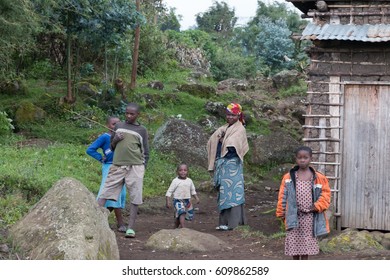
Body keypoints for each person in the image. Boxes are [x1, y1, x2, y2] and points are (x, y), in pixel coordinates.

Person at [97, 102, 149, 238]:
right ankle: (94, 222)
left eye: (132, 114)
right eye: (127, 113)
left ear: (138, 115)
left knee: (135, 197)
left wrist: (143, 167)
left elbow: (145, 151)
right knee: (105, 193)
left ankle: (130, 228)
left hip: (136, 167)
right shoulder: (119, 126)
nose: (129, 116)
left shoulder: (142, 130)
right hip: (118, 165)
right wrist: (116, 140)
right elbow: (112, 147)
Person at [276, 146, 331, 260]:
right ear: (295, 159)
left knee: (306, 244)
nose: (302, 160)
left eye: (305, 157)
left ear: (310, 158)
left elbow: (326, 195)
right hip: (293, 215)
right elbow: (282, 196)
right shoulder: (288, 177)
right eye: (299, 157)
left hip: (309, 217)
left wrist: (316, 206)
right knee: (294, 242)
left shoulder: (319, 177)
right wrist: (281, 213)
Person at [207, 102, 249, 231]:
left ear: (238, 115)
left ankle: (234, 223)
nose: (230, 117)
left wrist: (223, 141)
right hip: (223, 165)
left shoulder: (239, 129)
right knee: (224, 193)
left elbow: (232, 146)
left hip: (232, 165)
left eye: (233, 115)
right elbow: (213, 140)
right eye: (228, 115)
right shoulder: (225, 128)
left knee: (234, 194)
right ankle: (224, 222)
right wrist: (220, 140)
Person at [86, 116, 127, 232]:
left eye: (118, 123)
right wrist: (100, 158)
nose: (116, 126)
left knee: (121, 194)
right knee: (109, 193)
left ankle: (100, 218)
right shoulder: (105, 137)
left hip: (122, 166)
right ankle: (120, 223)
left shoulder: (124, 137)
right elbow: (90, 149)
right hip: (109, 166)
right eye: (113, 124)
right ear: (108, 125)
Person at [165, 163, 200, 228]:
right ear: (177, 172)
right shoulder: (175, 181)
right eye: (180, 170)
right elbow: (169, 191)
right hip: (178, 200)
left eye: (185, 170)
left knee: (186, 214)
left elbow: (192, 190)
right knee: (182, 212)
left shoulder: (189, 181)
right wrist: (168, 201)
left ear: (187, 171)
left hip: (187, 200)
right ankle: (183, 227)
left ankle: (175, 226)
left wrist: (196, 198)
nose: (183, 172)